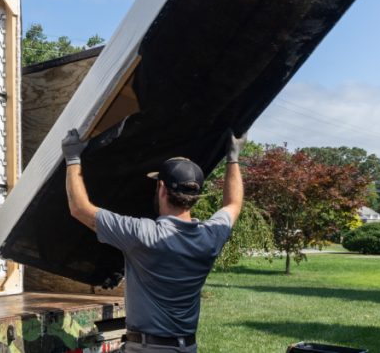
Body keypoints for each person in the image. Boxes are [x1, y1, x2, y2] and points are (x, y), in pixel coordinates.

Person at [61, 128, 246, 353]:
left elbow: (79, 208)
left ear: (161, 188)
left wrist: (72, 157)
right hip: (187, 347)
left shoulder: (143, 235)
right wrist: (233, 158)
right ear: (195, 196)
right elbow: (233, 205)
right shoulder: (210, 237)